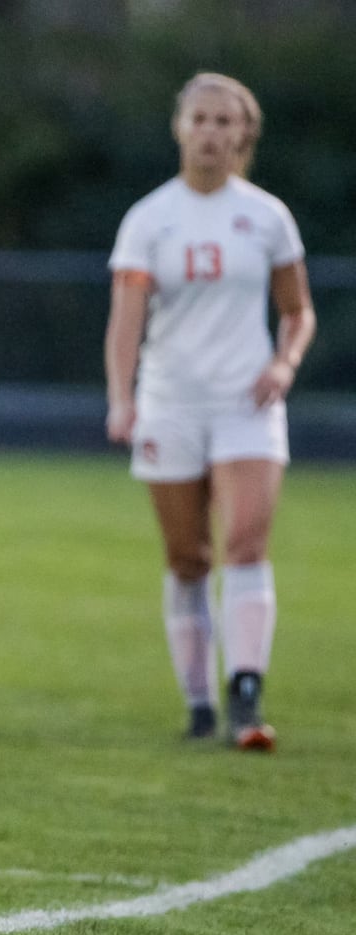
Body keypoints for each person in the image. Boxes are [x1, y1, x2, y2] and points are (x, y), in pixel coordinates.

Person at [104, 72, 316, 750]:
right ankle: (198, 701)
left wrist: (283, 364)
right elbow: (124, 325)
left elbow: (297, 312)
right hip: (169, 404)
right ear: (180, 128)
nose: (210, 132)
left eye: (224, 122)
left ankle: (244, 691)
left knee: (246, 541)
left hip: (244, 404)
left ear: (242, 135)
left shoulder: (266, 217)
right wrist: (121, 398)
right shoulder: (148, 219)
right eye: (199, 118)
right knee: (188, 558)